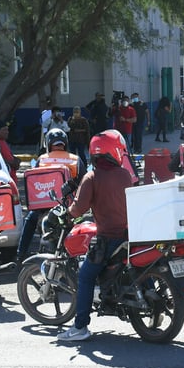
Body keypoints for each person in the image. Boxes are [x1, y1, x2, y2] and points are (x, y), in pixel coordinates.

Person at [57, 130, 134, 341]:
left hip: (108, 238)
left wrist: (67, 216)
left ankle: (80, 327)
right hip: (130, 234)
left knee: (85, 276)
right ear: (115, 152)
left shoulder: (92, 177)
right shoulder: (125, 174)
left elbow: (78, 208)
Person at [17, 128, 83, 262]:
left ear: (48, 144)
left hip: (44, 206)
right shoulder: (75, 160)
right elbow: (83, 182)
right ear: (65, 143)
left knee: (30, 221)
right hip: (68, 206)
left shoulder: (42, 160)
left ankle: (20, 254)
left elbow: (34, 181)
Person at [0, 119, 21, 184]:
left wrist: (16, 159)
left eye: (7, 129)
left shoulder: (2, 140)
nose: (7, 132)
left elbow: (9, 155)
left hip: (11, 178)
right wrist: (13, 163)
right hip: (5, 180)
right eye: (4, 130)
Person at [67, 106, 91, 171]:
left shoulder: (83, 120)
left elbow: (87, 130)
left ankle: (84, 166)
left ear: (80, 112)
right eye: (74, 112)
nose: (76, 114)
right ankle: (73, 166)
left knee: (81, 153)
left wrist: (87, 141)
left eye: (77, 112)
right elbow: (68, 128)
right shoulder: (70, 119)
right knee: (72, 154)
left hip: (80, 140)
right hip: (72, 140)